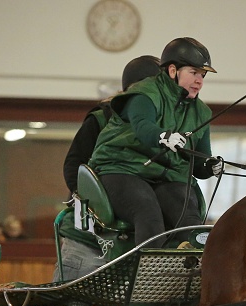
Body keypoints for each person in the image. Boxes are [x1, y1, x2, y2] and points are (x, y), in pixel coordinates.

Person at [88, 37, 224, 248]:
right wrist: (164, 136)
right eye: (194, 73)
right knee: (147, 213)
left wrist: (210, 166)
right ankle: (149, 277)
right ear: (172, 70)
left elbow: (199, 162)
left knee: (189, 220)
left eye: (203, 75)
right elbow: (143, 126)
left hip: (166, 176)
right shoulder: (145, 93)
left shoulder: (202, 112)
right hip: (122, 168)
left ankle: (194, 274)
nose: (200, 81)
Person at [53, 55, 162, 282]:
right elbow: (74, 165)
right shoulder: (102, 119)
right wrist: (95, 207)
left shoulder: (159, 126)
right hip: (87, 242)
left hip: (129, 241)